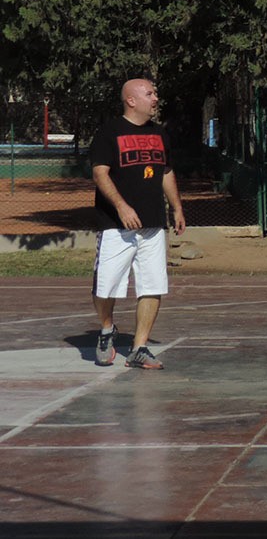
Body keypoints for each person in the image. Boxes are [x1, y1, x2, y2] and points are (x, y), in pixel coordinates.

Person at [91, 78, 186, 370]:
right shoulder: (110, 132)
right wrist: (121, 206)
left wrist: (177, 207)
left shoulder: (160, 134)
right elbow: (100, 173)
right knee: (106, 287)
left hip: (153, 224)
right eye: (149, 93)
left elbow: (166, 172)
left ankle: (139, 348)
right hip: (115, 226)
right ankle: (107, 330)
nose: (155, 98)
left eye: (155, 93)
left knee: (153, 284)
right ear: (131, 100)